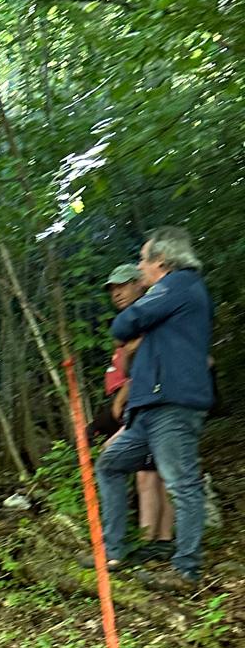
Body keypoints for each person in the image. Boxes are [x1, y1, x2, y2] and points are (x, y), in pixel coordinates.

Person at [95, 227, 213, 589]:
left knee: (182, 483)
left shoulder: (177, 284)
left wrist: (133, 324)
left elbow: (124, 323)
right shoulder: (175, 292)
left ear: (161, 262)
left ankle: (186, 569)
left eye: (143, 259)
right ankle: (113, 552)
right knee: (111, 464)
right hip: (151, 407)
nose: (139, 267)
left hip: (170, 405)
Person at [87, 265, 174, 567]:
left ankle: (149, 544)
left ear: (139, 283)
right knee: (150, 475)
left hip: (153, 404)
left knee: (138, 468)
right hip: (141, 406)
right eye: (112, 288)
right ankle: (155, 542)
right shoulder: (133, 319)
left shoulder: (151, 312)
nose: (117, 293)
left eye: (122, 285)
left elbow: (146, 359)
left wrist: (122, 398)